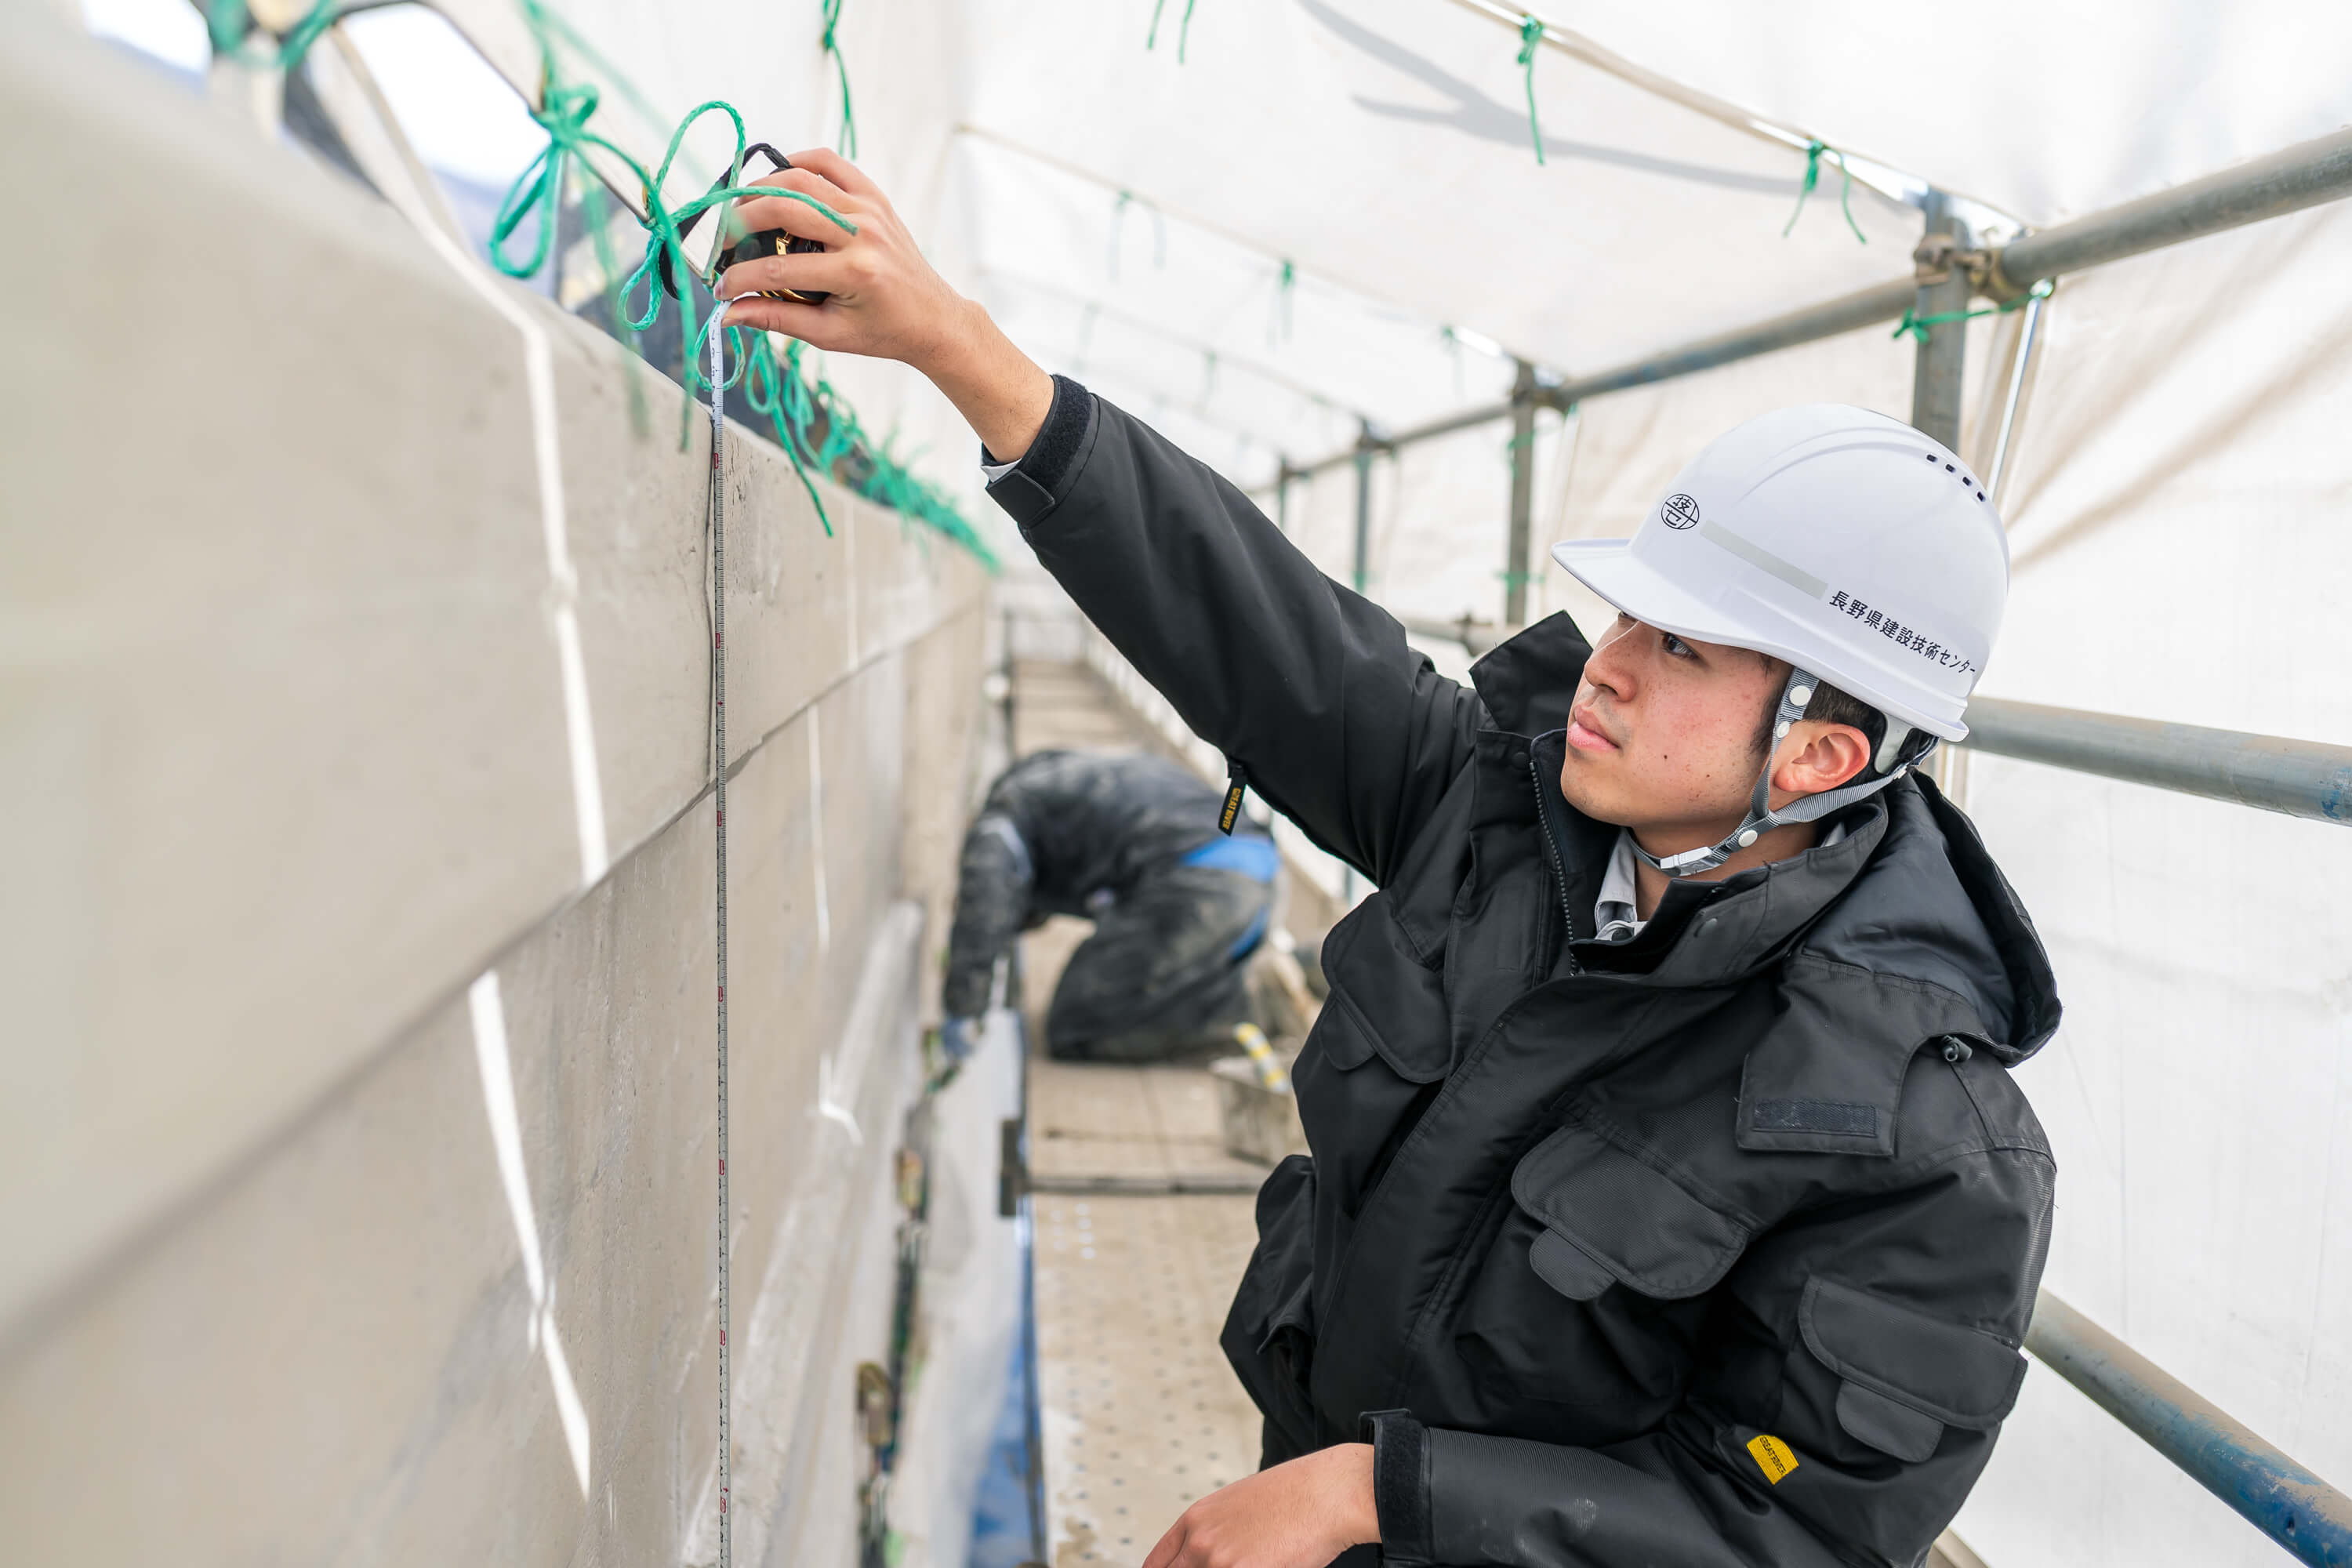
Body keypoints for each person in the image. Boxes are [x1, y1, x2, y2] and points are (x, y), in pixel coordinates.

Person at [718, 152, 2059, 1568]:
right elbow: (1258, 629)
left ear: (1820, 757)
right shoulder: (1499, 818)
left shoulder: (1918, 1149)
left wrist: (1376, 1494)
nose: (1603, 667)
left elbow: (1782, 1533)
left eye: (1680, 649)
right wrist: (961, 352)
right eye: (1622, 616)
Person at [939, 749, 1280, 1063]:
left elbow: (985, 903)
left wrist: (965, 1009)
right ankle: (1269, 979)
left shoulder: (1005, 821)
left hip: (1208, 884)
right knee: (1127, 971)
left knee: (1075, 1027)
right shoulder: (1068, 784)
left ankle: (1246, 1012)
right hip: (1260, 873)